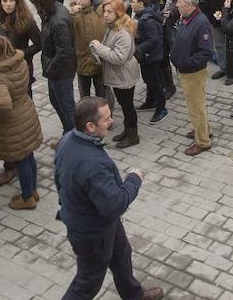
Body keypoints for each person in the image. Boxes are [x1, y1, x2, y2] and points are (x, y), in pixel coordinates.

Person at [55, 97, 164, 300]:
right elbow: (114, 205)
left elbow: (59, 180)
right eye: (106, 119)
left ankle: (134, 296)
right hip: (92, 233)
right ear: (90, 126)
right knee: (87, 282)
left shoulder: (68, 139)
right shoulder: (93, 164)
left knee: (122, 255)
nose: (112, 121)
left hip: (102, 224)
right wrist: (134, 179)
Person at [0, 35, 44, 209]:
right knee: (29, 154)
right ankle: (32, 190)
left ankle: (27, 198)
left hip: (14, 122)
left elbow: (3, 104)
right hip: (26, 111)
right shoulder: (20, 61)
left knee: (21, 159)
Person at [89, 0, 142, 149]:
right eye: (104, 11)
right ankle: (128, 131)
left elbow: (119, 58)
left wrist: (99, 48)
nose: (105, 15)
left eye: (109, 12)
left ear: (118, 13)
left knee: (128, 105)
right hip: (119, 74)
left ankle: (133, 135)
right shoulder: (112, 27)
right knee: (125, 104)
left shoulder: (122, 32)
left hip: (123, 75)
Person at [30, 0, 76, 136]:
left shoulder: (58, 21)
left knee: (66, 107)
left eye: (35, 3)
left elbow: (64, 51)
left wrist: (50, 68)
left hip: (61, 71)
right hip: (54, 69)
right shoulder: (50, 11)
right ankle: (68, 132)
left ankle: (74, 138)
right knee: (56, 102)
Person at [172, 0, 214, 157]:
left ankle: (203, 141)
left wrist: (185, 63)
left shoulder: (201, 23)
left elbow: (205, 52)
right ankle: (205, 130)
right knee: (197, 104)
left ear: (188, 5)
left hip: (193, 73)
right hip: (185, 70)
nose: (176, 4)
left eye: (179, 2)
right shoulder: (187, 17)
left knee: (196, 108)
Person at [70, 0, 113, 111]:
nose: (78, 1)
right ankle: (87, 118)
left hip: (100, 60)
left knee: (102, 92)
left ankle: (106, 116)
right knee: (84, 95)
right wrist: (71, 16)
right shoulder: (74, 14)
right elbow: (67, 32)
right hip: (82, 61)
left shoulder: (101, 10)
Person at [131, 0, 168, 124]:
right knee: (148, 79)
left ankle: (161, 108)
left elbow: (154, 39)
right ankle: (150, 101)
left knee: (155, 82)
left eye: (132, 1)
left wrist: (138, 48)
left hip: (151, 56)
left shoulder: (147, 20)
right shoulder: (141, 16)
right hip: (146, 56)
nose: (131, 4)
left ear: (141, 4)